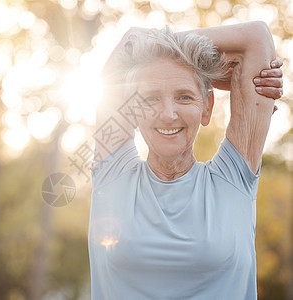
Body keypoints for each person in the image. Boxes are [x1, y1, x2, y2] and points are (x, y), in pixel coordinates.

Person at [88, 21, 283, 300]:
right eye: (151, 98)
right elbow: (131, 41)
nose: (168, 113)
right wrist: (190, 65)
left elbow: (256, 37)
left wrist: (171, 55)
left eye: (184, 96)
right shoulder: (113, 174)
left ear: (207, 108)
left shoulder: (233, 178)